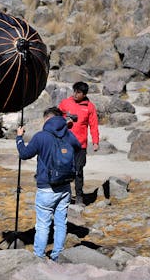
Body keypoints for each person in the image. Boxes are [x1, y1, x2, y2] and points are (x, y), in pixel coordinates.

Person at [16, 107, 82, 261]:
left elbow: (24, 154)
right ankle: (57, 255)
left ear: (47, 119)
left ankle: (38, 257)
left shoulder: (41, 136)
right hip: (65, 185)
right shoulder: (68, 134)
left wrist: (19, 138)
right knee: (60, 223)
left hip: (46, 187)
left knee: (43, 224)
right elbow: (78, 148)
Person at [57, 81, 99, 205]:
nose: (75, 94)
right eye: (74, 91)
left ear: (84, 94)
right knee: (64, 170)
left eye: (78, 92)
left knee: (78, 170)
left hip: (81, 145)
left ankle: (79, 196)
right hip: (65, 143)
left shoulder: (89, 106)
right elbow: (56, 118)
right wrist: (65, 120)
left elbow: (94, 125)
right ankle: (65, 196)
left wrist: (95, 142)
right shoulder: (65, 103)